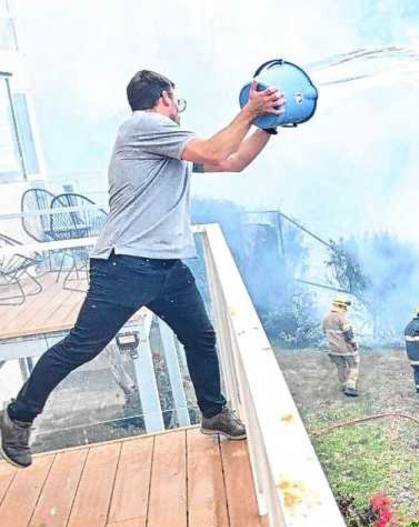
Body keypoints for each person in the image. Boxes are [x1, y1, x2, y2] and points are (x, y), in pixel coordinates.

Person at [0, 70, 285, 469]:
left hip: (166, 268)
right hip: (125, 265)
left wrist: (267, 127)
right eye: (177, 101)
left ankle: (213, 413)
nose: (179, 109)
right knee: (82, 346)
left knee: (200, 337)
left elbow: (232, 161)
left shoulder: (168, 146)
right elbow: (214, 151)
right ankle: (17, 417)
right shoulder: (143, 126)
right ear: (165, 97)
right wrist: (251, 111)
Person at [323, 295, 359, 397]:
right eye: (345, 306)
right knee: (354, 365)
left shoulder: (326, 318)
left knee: (341, 367)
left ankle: (344, 385)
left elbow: (324, 331)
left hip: (333, 349)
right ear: (341, 306)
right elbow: (348, 334)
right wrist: (353, 344)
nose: (346, 309)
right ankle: (350, 387)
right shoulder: (342, 318)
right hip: (346, 349)